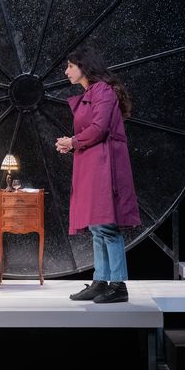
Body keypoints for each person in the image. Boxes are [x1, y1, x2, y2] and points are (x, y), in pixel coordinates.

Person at [55, 47, 141, 303]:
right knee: (96, 226)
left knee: (106, 224)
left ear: (84, 67)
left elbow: (99, 128)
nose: (66, 71)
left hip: (103, 165)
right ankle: (100, 280)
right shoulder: (91, 93)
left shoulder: (103, 91)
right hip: (90, 163)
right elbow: (89, 131)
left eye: (70, 66)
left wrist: (73, 141)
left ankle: (118, 285)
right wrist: (71, 143)